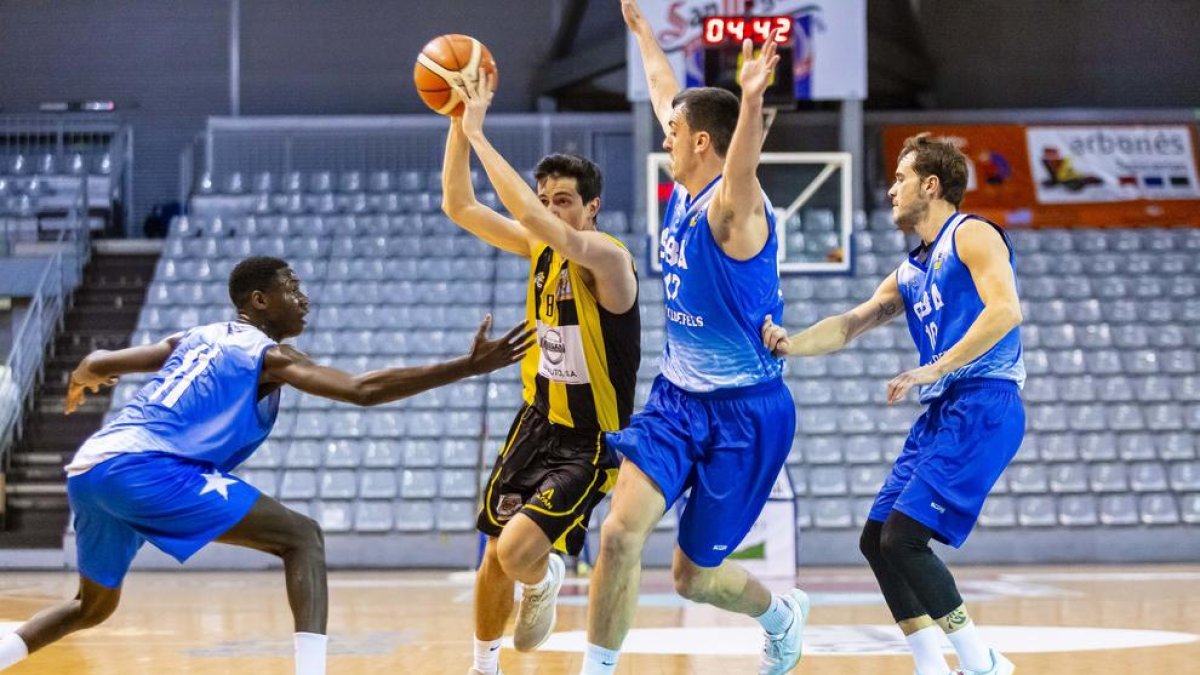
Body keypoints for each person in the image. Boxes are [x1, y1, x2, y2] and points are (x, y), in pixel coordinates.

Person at [0, 256, 532, 675]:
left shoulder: (195, 337)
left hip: (92, 466)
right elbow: (361, 391)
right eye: (292, 290)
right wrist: (467, 366)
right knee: (302, 538)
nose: (304, 300)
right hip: (146, 467)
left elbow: (95, 362)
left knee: (90, 607)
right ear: (259, 300)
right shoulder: (266, 354)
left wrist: (79, 380)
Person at [576, 3, 810, 674]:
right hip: (677, 399)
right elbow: (661, 89)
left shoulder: (734, 210)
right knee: (619, 535)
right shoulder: (680, 185)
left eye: (674, 130)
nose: (665, 134)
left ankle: (779, 614)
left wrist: (755, 98)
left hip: (747, 414)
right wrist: (644, 32)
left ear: (703, 141)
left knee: (692, 577)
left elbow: (739, 169)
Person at [763, 133, 1024, 675]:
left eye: (901, 178)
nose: (891, 190)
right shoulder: (911, 270)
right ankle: (931, 665)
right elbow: (852, 322)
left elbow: (1005, 311)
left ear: (932, 185)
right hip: (944, 410)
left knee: (905, 538)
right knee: (876, 540)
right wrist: (792, 343)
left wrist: (935, 366)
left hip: (984, 401)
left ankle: (983, 664)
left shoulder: (971, 235)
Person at [443, 74, 640, 675]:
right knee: (493, 556)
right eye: (546, 198)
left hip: (591, 439)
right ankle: (484, 665)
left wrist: (479, 129)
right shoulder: (539, 249)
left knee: (517, 550)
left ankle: (548, 571)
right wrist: (455, 120)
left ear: (591, 208)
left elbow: (523, 211)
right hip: (536, 418)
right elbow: (458, 204)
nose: (551, 210)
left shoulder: (607, 259)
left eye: (564, 201)